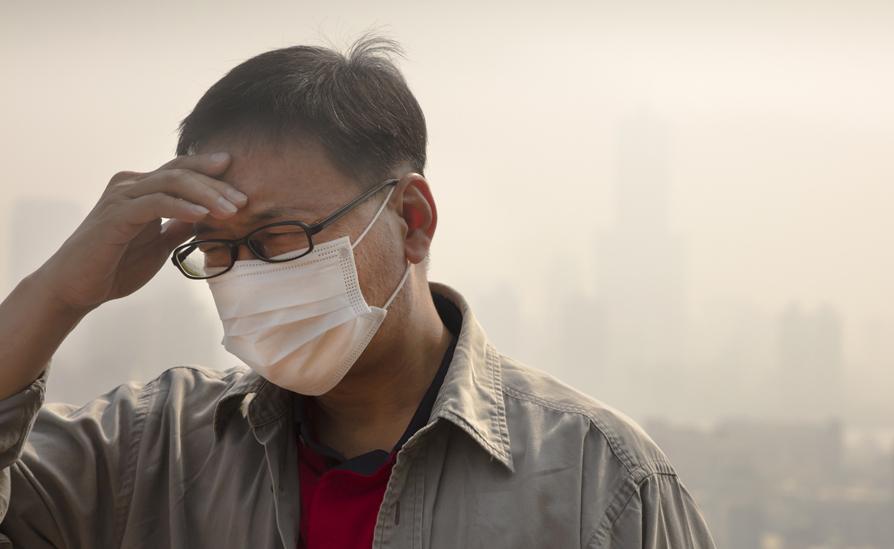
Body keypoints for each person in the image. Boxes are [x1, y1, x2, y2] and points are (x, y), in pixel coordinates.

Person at [0, 35, 715, 548]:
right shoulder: (146, 456)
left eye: (281, 238)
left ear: (412, 221)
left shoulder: (599, 482)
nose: (246, 275)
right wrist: (57, 294)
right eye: (218, 250)